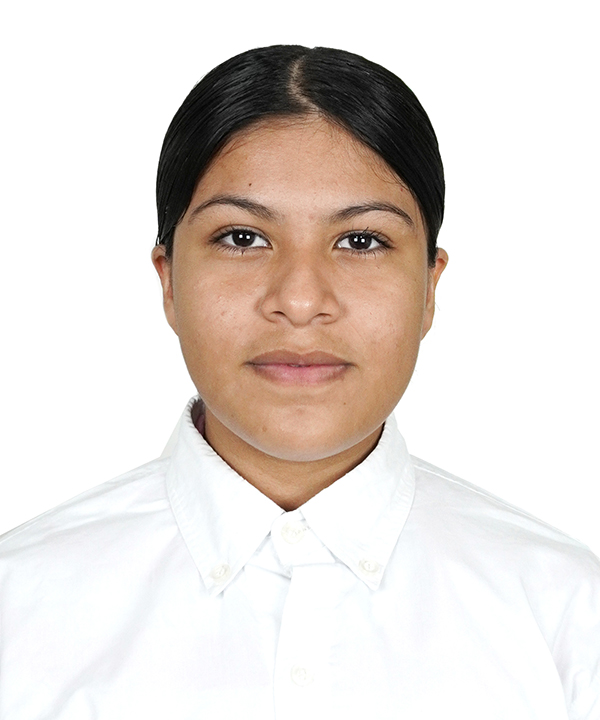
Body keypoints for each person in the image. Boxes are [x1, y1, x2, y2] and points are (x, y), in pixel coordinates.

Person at [0, 45, 598, 720]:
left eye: (361, 241)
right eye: (242, 238)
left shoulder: (568, 614)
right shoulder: (18, 609)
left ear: (430, 288)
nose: (302, 300)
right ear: (169, 281)